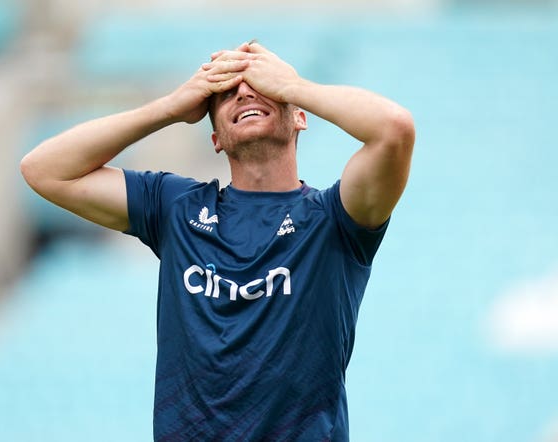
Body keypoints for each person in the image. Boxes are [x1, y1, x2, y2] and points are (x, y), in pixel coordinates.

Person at [21, 41, 415, 441]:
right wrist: (170, 108)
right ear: (216, 140)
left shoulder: (335, 219)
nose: (244, 92)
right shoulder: (175, 207)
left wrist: (294, 85)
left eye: (263, 88)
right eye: (226, 94)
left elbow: (394, 130)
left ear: (299, 117)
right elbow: (44, 170)